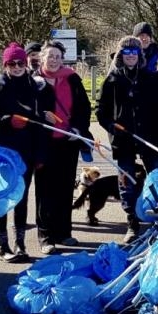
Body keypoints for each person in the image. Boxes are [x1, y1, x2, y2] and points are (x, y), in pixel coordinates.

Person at [0, 43, 52, 261]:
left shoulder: (36, 87)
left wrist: (41, 155)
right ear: (5, 65)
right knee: (2, 196)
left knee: (20, 197)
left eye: (20, 62)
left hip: (28, 151)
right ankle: (3, 245)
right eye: (12, 63)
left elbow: (42, 124)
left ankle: (20, 243)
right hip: (2, 151)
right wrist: (7, 121)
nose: (17, 67)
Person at [97, 36, 158, 242]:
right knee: (126, 182)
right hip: (124, 140)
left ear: (140, 55)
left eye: (134, 53)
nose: (130, 56)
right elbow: (102, 111)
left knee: (157, 179)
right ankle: (132, 222)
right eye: (126, 53)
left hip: (150, 138)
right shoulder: (112, 80)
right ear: (120, 56)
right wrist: (111, 126)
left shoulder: (152, 79)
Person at [33, 40, 93, 253]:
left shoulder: (72, 78)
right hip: (44, 143)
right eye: (50, 56)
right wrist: (41, 116)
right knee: (45, 190)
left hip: (68, 141)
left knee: (65, 188)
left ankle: (63, 232)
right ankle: (46, 236)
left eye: (58, 56)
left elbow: (84, 108)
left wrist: (78, 129)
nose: (54, 60)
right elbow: (29, 110)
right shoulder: (35, 81)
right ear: (42, 58)